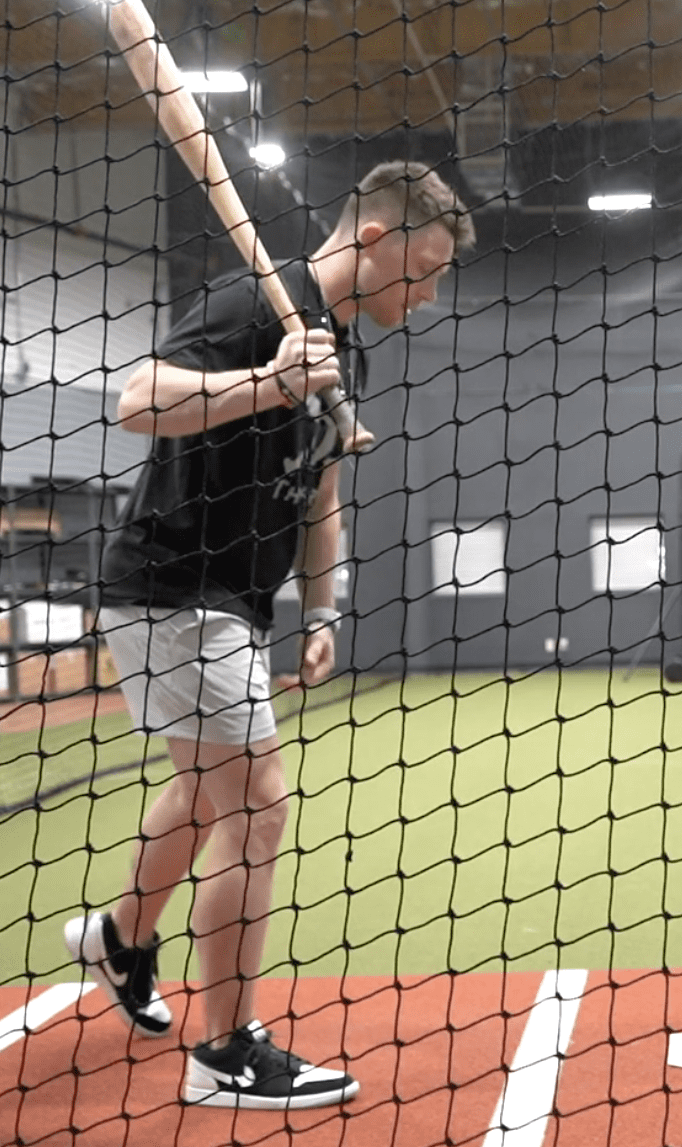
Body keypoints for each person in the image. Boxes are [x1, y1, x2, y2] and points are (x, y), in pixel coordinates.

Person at [64, 161, 475, 1110]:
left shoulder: (344, 353)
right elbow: (137, 400)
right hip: (178, 585)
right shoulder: (257, 302)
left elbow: (321, 494)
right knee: (258, 805)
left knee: (204, 795)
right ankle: (225, 1053)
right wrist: (266, 381)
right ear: (374, 240)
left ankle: (120, 939)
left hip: (230, 602)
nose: (429, 294)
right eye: (425, 270)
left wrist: (322, 610)